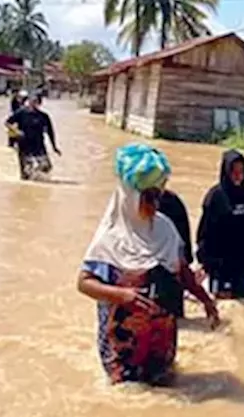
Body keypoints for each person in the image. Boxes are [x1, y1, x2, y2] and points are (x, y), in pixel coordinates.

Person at [77, 144, 220, 386]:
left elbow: (183, 272)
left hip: (162, 340)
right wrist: (122, 295)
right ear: (129, 195)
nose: (156, 203)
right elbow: (84, 283)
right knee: (127, 400)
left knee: (167, 388)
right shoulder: (110, 238)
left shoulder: (165, 228)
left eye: (159, 194)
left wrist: (206, 300)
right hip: (123, 346)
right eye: (149, 196)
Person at [196, 149, 244, 300]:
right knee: (222, 300)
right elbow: (204, 232)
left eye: (241, 171)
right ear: (226, 171)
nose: (238, 175)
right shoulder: (215, 196)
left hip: (242, 261)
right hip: (219, 262)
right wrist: (205, 261)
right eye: (234, 171)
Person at [5, 94, 61, 180]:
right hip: (24, 145)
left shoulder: (44, 116)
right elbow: (7, 123)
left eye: (36, 102)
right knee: (25, 174)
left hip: (39, 145)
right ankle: (25, 187)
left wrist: (54, 147)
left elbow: (50, 132)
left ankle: (36, 176)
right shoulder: (21, 113)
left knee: (47, 166)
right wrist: (17, 131)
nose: (34, 104)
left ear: (39, 103)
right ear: (29, 102)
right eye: (32, 101)